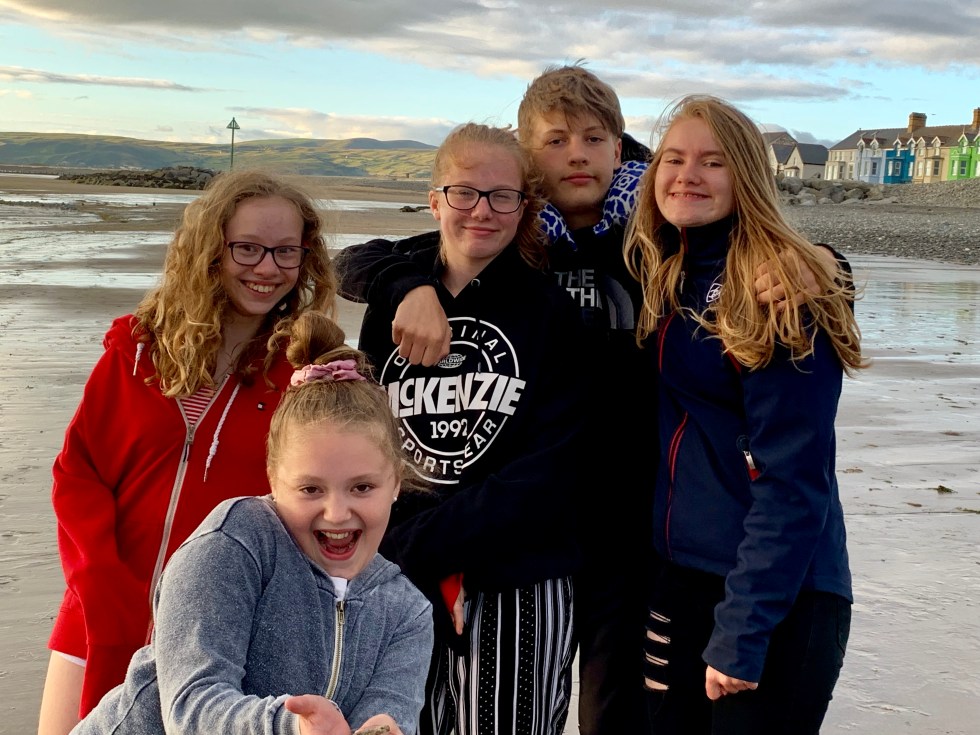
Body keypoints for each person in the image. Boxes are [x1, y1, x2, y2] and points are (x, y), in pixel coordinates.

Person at [334, 63, 846, 735]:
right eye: (555, 141)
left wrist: (822, 260)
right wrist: (407, 285)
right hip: (534, 525)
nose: (576, 154)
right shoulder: (512, 238)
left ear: (619, 148)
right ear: (528, 160)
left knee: (614, 712)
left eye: (593, 138)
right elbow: (363, 258)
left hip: (639, 524)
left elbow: (744, 258)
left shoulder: (654, 237)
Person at [38, 170, 336, 735]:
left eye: (286, 251)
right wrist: (101, 583)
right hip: (102, 617)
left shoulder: (302, 377)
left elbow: (329, 503)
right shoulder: (137, 351)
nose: (267, 268)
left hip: (217, 640)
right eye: (247, 248)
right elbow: (78, 473)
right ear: (211, 250)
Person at [623, 94, 866, 734]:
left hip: (776, 592)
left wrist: (744, 628)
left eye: (714, 162)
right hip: (683, 577)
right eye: (674, 159)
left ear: (748, 176)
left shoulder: (778, 291)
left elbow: (794, 480)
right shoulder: (664, 269)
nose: (688, 175)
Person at [70, 310, 435, 735]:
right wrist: (292, 728)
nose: (336, 513)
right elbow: (191, 709)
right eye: (310, 489)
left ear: (396, 482)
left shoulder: (407, 612)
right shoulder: (233, 546)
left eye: (362, 487)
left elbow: (390, 714)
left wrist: (381, 729)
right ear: (273, 480)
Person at [350, 123, 591, 735]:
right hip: (399, 574)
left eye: (502, 196)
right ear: (435, 201)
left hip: (514, 581)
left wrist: (417, 545)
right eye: (464, 192)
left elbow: (552, 470)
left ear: (523, 207)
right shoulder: (392, 308)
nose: (482, 211)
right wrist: (391, 548)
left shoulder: (550, 313)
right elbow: (368, 441)